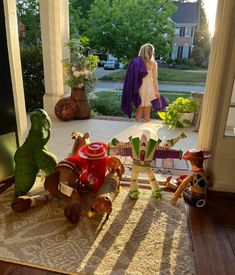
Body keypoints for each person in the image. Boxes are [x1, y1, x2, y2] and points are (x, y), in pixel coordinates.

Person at [135, 43, 160, 122]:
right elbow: (155, 79)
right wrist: (156, 92)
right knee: (147, 110)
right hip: (150, 88)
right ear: (151, 52)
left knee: (139, 108)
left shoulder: (137, 63)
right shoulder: (153, 63)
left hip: (140, 88)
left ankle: (135, 129)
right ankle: (146, 130)